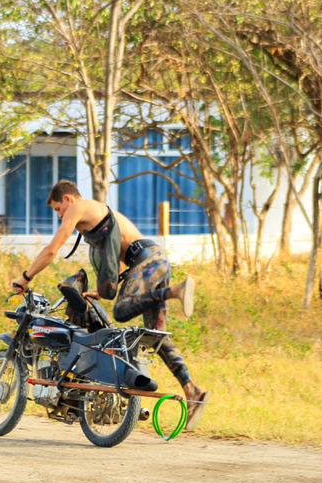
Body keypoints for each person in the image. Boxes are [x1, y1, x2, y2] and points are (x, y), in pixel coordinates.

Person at [11, 179, 210, 429]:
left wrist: (26, 277)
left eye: (57, 209)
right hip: (156, 262)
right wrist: (98, 291)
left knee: (121, 310)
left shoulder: (77, 207)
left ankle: (175, 291)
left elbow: (53, 249)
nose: (59, 215)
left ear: (67, 199)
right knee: (156, 338)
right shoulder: (98, 214)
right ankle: (192, 391)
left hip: (146, 262)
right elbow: (116, 259)